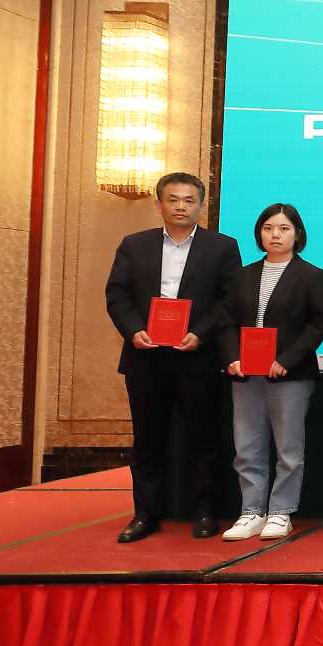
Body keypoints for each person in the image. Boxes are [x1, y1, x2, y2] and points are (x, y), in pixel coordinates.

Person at [102, 171, 243, 542]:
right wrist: (134, 330)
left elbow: (229, 301)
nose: (181, 207)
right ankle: (145, 514)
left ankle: (205, 511)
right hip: (145, 357)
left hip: (198, 357)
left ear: (201, 205)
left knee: (204, 439)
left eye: (189, 200)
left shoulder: (222, 247)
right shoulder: (135, 245)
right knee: (147, 441)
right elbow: (117, 294)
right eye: (173, 200)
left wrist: (201, 334)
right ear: (159, 203)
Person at [219, 203, 323, 541]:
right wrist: (232, 357)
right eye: (268, 228)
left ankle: (281, 511)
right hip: (245, 373)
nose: (275, 235)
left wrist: (287, 359)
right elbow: (226, 321)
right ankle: (251, 511)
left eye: (283, 229)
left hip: (289, 374)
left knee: (288, 448)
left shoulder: (311, 275)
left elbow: (318, 324)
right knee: (247, 446)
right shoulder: (242, 275)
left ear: (297, 234)